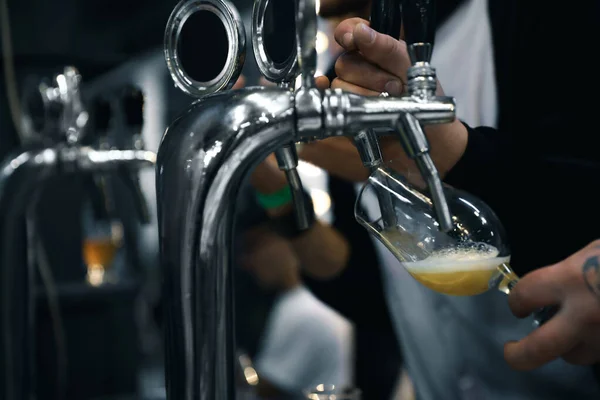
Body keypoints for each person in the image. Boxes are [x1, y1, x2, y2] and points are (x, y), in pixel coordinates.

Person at [297, 0, 600, 398]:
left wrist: (455, 152)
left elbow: (579, 204)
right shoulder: (349, 82)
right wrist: (281, 205)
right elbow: (375, 299)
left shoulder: (544, 19)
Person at [234, 153, 354, 399]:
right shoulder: (298, 303)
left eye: (254, 247)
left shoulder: (303, 311)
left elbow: (265, 391)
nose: (247, 261)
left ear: (283, 240)